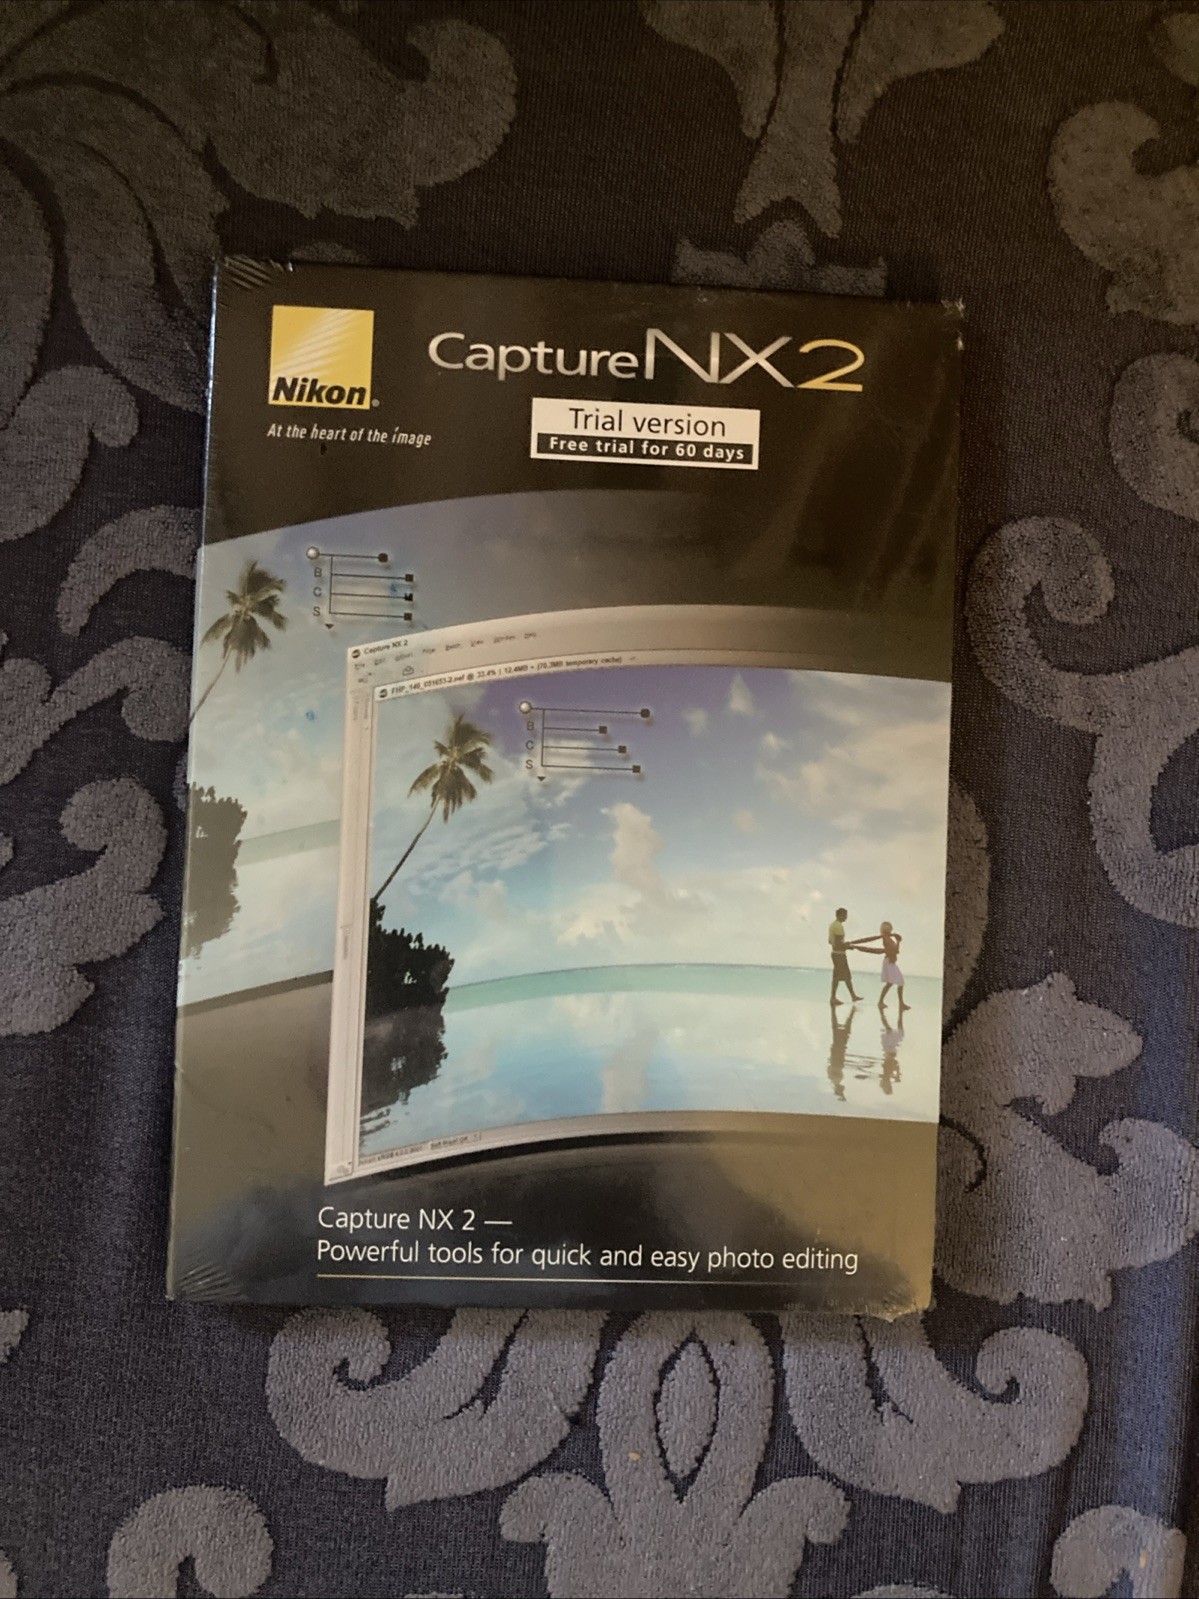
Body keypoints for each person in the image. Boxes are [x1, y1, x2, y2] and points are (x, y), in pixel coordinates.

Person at [857, 920, 908, 1011]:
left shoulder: (889, 938)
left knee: (893, 983)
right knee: (897, 982)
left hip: (890, 962)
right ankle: (890, 1003)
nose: (889, 930)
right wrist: (898, 941)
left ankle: (896, 1003)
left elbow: (895, 950)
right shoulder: (886, 938)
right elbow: (895, 951)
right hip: (889, 962)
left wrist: (897, 940)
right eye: (887, 929)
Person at [827, 906, 863, 1005]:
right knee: (840, 977)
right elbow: (838, 943)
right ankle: (834, 998)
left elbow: (830, 941)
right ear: (839, 915)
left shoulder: (832, 925)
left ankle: (852, 996)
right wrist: (848, 947)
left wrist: (845, 945)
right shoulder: (838, 926)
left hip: (836, 954)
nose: (846, 917)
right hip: (839, 955)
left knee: (844, 976)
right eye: (845, 915)